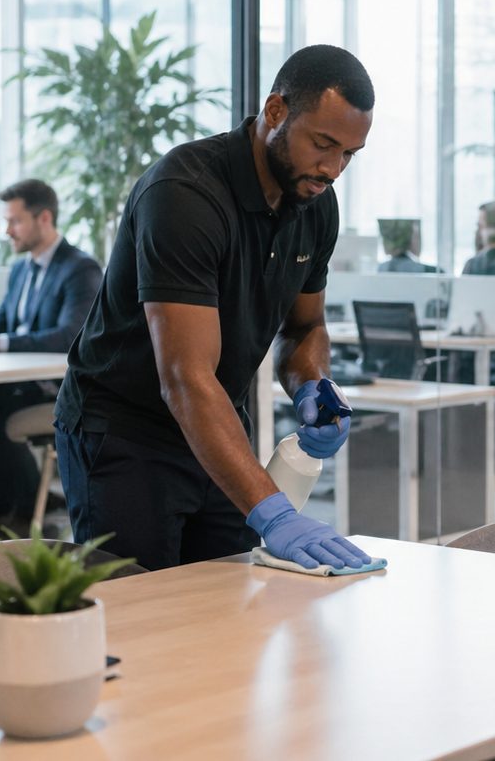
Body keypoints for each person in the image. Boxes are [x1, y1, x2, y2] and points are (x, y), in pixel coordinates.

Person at [54, 45, 375, 571]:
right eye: (323, 144)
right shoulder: (185, 194)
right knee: (143, 617)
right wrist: (275, 514)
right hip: (125, 433)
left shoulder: (315, 204)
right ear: (275, 112)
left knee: (226, 608)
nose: (333, 169)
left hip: (218, 422)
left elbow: (305, 324)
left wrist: (313, 385)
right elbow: (184, 377)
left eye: (348, 154)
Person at [0, 180, 103, 531]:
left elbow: (69, 336)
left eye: (15, 221)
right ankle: (6, 506)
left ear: (43, 218)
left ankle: (24, 511)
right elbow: (1, 322)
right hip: (14, 385)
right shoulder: (20, 269)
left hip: (52, 389)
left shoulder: (80, 268)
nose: (7, 231)